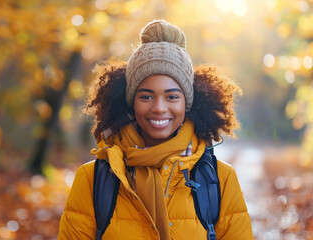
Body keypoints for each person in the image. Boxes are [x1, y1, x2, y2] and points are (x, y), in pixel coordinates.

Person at [58, 20, 253, 239]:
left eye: (172, 97)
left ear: (186, 103)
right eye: (146, 96)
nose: (159, 108)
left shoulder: (220, 179)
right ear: (132, 101)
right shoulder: (92, 179)